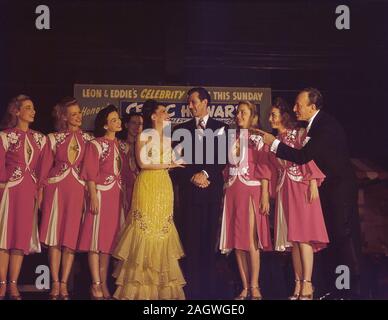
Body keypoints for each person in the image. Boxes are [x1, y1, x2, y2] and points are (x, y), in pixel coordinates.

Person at [257, 88, 362, 299]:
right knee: (333, 239)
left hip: (339, 188)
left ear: (312, 107)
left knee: (343, 237)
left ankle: (349, 290)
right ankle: (336, 288)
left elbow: (304, 156)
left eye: (299, 105)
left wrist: (273, 143)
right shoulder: (313, 125)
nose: (295, 108)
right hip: (327, 189)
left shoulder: (324, 125)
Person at [113, 99, 186, 300]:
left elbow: (171, 161)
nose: (167, 114)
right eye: (163, 111)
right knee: (144, 229)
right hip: (148, 185)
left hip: (164, 186)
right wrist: (167, 164)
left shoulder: (168, 137)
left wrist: (175, 162)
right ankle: (139, 289)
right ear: (153, 116)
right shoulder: (144, 135)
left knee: (162, 230)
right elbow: (143, 163)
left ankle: (162, 290)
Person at [268, 97, 329, 300]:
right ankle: (297, 283)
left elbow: (309, 158)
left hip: (301, 187)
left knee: (303, 237)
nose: (270, 119)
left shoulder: (299, 134)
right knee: (293, 240)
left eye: (274, 115)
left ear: (283, 116)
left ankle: (308, 284)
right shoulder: (274, 141)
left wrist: (313, 181)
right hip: (285, 188)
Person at [173, 87, 228, 299]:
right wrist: (193, 176)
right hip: (190, 195)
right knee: (191, 243)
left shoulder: (222, 127)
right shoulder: (181, 129)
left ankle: (209, 292)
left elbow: (222, 158)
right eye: (189, 103)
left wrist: (205, 173)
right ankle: (192, 291)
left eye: (194, 102)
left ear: (205, 102)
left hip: (211, 194)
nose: (190, 106)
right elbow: (176, 162)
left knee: (208, 243)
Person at [38, 97, 94, 300]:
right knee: (54, 238)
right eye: (74, 113)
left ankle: (64, 283)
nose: (78, 117)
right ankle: (54, 282)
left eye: (79, 113)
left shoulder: (89, 140)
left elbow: (89, 171)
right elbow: (44, 170)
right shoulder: (52, 138)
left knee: (70, 240)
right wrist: (41, 194)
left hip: (78, 191)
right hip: (56, 190)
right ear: (64, 117)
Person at [219, 101, 272, 300]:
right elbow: (226, 168)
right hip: (233, 191)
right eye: (237, 112)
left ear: (252, 116)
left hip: (252, 190)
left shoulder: (258, 137)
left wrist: (265, 194)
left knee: (251, 240)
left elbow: (265, 166)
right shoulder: (231, 137)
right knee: (237, 241)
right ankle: (244, 286)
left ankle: (255, 284)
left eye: (243, 112)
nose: (239, 115)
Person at [77, 105, 127, 300]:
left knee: (108, 244)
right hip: (101, 194)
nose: (118, 122)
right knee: (95, 241)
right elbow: (90, 172)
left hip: (117, 196)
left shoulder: (123, 146)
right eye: (114, 120)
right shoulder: (95, 144)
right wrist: (93, 195)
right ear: (105, 125)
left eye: (118, 119)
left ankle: (104, 283)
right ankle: (95, 284)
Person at [0, 94, 46, 300]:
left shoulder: (40, 138)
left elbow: (43, 168)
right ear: (17, 111)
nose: (33, 111)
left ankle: (13, 284)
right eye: (28, 107)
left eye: (33, 107)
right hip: (9, 191)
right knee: (5, 237)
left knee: (20, 238)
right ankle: (2, 283)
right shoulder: (6, 136)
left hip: (28, 192)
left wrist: (39, 189)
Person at [122, 113, 143, 211]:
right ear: (126, 125)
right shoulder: (119, 145)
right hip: (123, 190)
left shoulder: (146, 148)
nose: (137, 127)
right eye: (134, 123)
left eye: (140, 124)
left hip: (141, 189)